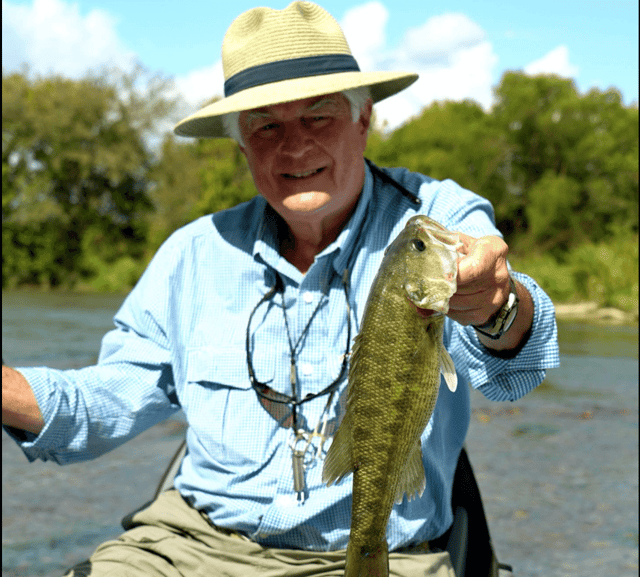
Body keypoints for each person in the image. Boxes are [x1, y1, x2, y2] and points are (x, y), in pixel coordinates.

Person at [2, 2, 560, 576]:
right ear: (241, 144)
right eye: (266, 125)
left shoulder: (434, 221)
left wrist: (497, 304)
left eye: (318, 117)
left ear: (363, 119)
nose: (294, 147)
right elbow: (100, 404)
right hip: (190, 545)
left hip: (383, 549)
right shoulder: (191, 255)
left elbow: (516, 363)